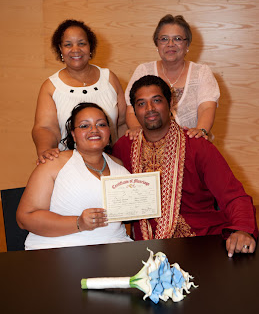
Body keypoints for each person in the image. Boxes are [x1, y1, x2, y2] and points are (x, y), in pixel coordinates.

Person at [113, 75, 257, 258]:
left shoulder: (197, 145)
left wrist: (243, 229)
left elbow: (233, 195)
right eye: (141, 104)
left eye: (156, 100)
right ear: (134, 110)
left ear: (170, 103)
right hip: (147, 251)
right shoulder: (124, 148)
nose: (149, 109)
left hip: (201, 244)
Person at [17, 103, 132, 250]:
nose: (94, 130)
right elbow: (25, 218)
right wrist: (78, 223)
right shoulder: (53, 163)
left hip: (116, 249)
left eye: (101, 124)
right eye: (85, 126)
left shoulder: (119, 166)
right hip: (60, 250)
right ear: (73, 134)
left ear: (109, 131)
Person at [32, 19, 127, 165]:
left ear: (90, 47)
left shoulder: (109, 78)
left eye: (81, 43)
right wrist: (45, 150)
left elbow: (122, 124)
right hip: (68, 165)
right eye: (68, 44)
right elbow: (45, 128)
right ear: (60, 49)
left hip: (110, 163)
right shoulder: (51, 86)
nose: (75, 49)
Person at [125, 14, 219, 140]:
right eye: (164, 39)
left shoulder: (202, 72)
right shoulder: (143, 71)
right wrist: (136, 128)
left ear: (187, 45)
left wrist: (200, 131)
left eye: (178, 39)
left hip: (191, 146)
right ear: (156, 44)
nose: (170, 44)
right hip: (150, 145)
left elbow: (207, 107)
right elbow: (132, 109)